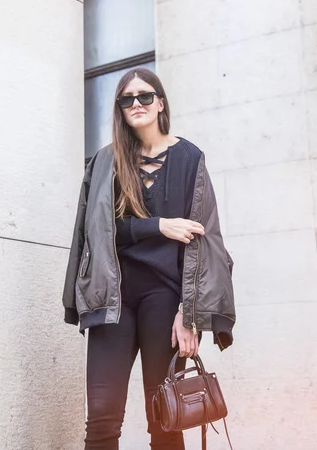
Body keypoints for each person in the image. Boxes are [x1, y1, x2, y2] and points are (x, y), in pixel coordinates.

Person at [62, 67, 235, 450]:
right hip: (114, 297)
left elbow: (206, 243)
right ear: (120, 109)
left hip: (165, 297)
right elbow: (97, 232)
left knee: (166, 421)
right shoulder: (105, 162)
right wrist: (158, 226)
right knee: (103, 418)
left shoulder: (190, 157)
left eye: (144, 96)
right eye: (127, 99)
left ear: (160, 103)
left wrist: (189, 314)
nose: (136, 103)